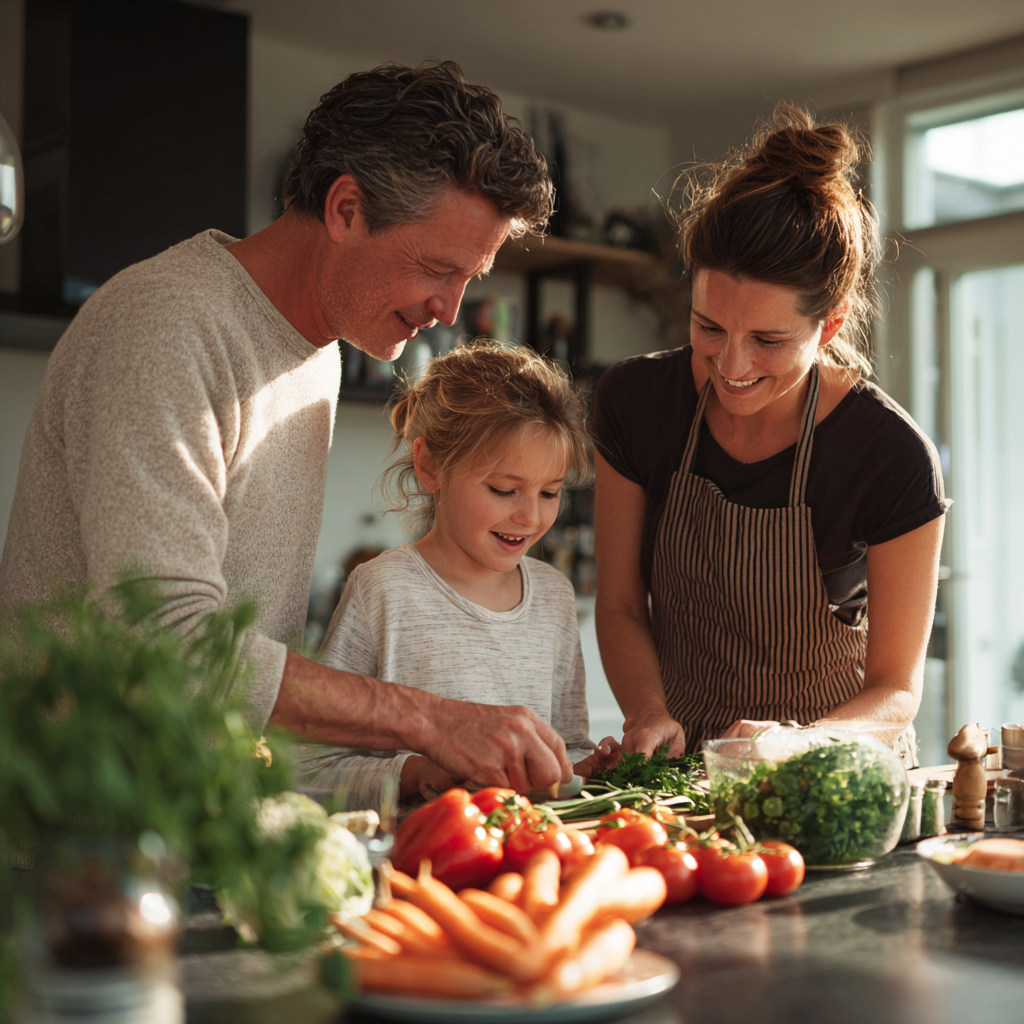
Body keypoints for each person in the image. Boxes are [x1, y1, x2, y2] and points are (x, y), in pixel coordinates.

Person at [0, 61, 573, 792]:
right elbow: (161, 640)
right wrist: (428, 718)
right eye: (437, 268)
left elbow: (238, 667)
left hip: (201, 831)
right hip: (76, 847)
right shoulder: (167, 324)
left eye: (471, 279)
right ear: (345, 210)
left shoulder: (319, 354)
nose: (450, 312)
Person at [590, 105, 948, 767]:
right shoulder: (636, 403)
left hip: (836, 773)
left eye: (768, 340)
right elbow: (617, 605)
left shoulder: (890, 456)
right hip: (686, 767)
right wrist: (647, 711)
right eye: (709, 328)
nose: (731, 366)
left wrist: (795, 745)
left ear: (831, 326)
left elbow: (895, 689)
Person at [296, 342, 621, 809]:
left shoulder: (554, 597)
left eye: (550, 492)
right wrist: (418, 773)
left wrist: (584, 769)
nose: (530, 517)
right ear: (430, 467)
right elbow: (311, 770)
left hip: (525, 859)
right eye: (504, 489)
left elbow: (566, 753)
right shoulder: (383, 589)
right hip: (419, 863)